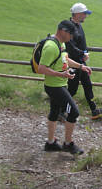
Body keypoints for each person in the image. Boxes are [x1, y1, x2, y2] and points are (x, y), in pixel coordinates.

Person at [39, 20, 91, 155]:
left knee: (54, 112)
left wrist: (80, 66)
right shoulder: (51, 46)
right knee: (73, 112)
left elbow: (65, 59)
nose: (72, 37)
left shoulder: (61, 43)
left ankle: (50, 143)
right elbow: (41, 68)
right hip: (55, 87)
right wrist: (60, 74)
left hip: (59, 85)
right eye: (71, 34)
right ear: (62, 31)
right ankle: (68, 144)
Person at [65, 3, 102, 120]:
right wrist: (82, 54)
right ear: (78, 14)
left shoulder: (78, 25)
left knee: (87, 85)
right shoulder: (69, 28)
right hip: (73, 63)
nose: (86, 16)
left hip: (81, 62)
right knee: (72, 89)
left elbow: (82, 43)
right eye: (84, 13)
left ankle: (94, 110)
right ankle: (61, 111)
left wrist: (85, 53)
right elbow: (70, 47)